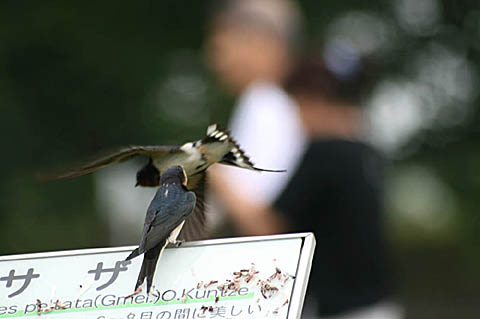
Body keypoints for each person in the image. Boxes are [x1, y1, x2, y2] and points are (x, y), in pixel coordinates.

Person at [211, 45, 403, 318]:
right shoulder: (367, 152)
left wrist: (218, 175)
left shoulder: (324, 153)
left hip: (340, 311)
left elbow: (267, 228)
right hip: (378, 305)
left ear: (314, 99)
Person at [205, 0, 307, 217]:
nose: (215, 59)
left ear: (263, 45)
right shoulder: (262, 104)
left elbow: (259, 219)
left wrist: (210, 170)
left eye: (223, 46)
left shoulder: (266, 106)